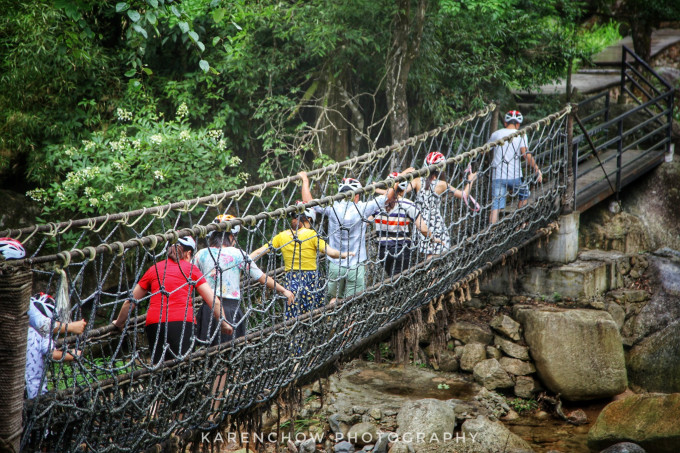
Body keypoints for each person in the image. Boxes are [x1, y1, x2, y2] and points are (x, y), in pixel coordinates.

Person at [112, 236, 233, 364]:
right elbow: (214, 300)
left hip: (155, 324)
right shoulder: (191, 269)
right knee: (183, 367)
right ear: (188, 253)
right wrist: (224, 322)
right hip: (182, 324)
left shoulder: (154, 268)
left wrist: (119, 323)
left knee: (159, 367)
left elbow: (130, 301)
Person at [194, 214, 295, 346]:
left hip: (208, 309)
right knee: (230, 351)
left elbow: (190, 277)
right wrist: (283, 290)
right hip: (230, 311)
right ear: (231, 237)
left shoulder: (201, 254)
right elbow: (261, 277)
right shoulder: (238, 254)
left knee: (206, 351)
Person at [251, 204, 354, 319]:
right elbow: (331, 253)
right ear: (308, 219)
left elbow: (259, 251)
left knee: (293, 318)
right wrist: (344, 255)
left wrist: (245, 259)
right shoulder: (311, 235)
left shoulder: (281, 236)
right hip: (311, 281)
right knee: (316, 316)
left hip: (292, 281)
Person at [299, 172, 390, 300]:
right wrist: (399, 178)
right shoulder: (363, 208)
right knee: (353, 300)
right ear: (356, 195)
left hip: (335, 263)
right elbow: (388, 196)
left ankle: (333, 312)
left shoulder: (332, 207)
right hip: (356, 264)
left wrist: (305, 180)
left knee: (333, 299)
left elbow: (308, 202)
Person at [400, 151, 478, 258]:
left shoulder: (417, 181)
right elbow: (464, 194)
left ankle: (429, 268)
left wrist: (403, 174)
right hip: (435, 222)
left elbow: (401, 192)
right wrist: (471, 180)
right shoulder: (442, 185)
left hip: (420, 221)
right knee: (435, 253)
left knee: (427, 254)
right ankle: (432, 269)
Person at [372, 172, 442, 275]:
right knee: (399, 278)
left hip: (382, 249)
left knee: (391, 276)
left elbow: (367, 220)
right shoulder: (408, 204)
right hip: (401, 249)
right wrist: (432, 238)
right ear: (404, 189)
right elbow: (423, 228)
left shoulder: (377, 204)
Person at [488, 110, 542, 224]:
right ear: (518, 124)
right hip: (515, 176)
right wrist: (537, 169)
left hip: (498, 176)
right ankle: (519, 224)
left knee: (495, 205)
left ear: (505, 123)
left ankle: (491, 230)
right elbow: (526, 155)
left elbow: (484, 150)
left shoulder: (496, 134)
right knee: (524, 194)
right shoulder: (521, 134)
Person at [25, 295, 81, 399]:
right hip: (34, 389)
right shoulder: (42, 333)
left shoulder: (22, 330)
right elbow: (52, 354)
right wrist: (73, 354)